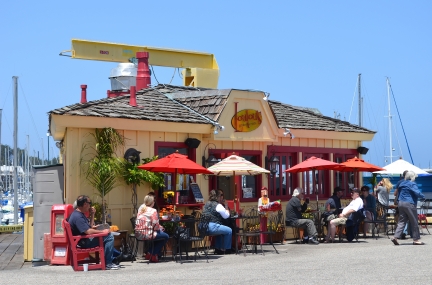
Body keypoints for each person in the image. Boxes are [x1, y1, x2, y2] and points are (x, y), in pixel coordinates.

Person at [67, 195, 119, 270]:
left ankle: (108, 260)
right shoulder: (78, 217)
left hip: (83, 239)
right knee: (109, 237)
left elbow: (89, 227)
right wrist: (102, 231)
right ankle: (108, 263)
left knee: (106, 234)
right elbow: (88, 231)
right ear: (85, 204)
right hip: (83, 242)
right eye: (89, 203)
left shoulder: (79, 213)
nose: (90, 205)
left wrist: (92, 214)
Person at [391, 171, 425, 246]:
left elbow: (398, 194)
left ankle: (395, 237)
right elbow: (417, 192)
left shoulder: (402, 183)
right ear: (412, 177)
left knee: (401, 221)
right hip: (409, 203)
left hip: (401, 203)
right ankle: (416, 239)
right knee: (414, 221)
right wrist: (423, 196)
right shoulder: (412, 183)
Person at [135, 195, 169, 262]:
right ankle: (151, 253)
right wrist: (160, 228)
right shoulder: (153, 211)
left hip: (139, 234)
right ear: (152, 202)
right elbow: (155, 226)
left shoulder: (141, 210)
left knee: (160, 235)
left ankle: (152, 253)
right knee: (166, 236)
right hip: (148, 234)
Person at [202, 189, 233, 254]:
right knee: (229, 230)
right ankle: (226, 249)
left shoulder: (206, 204)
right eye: (220, 196)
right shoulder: (218, 205)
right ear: (217, 197)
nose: (221, 197)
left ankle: (218, 249)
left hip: (203, 227)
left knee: (220, 229)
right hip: (212, 227)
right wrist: (226, 206)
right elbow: (226, 216)